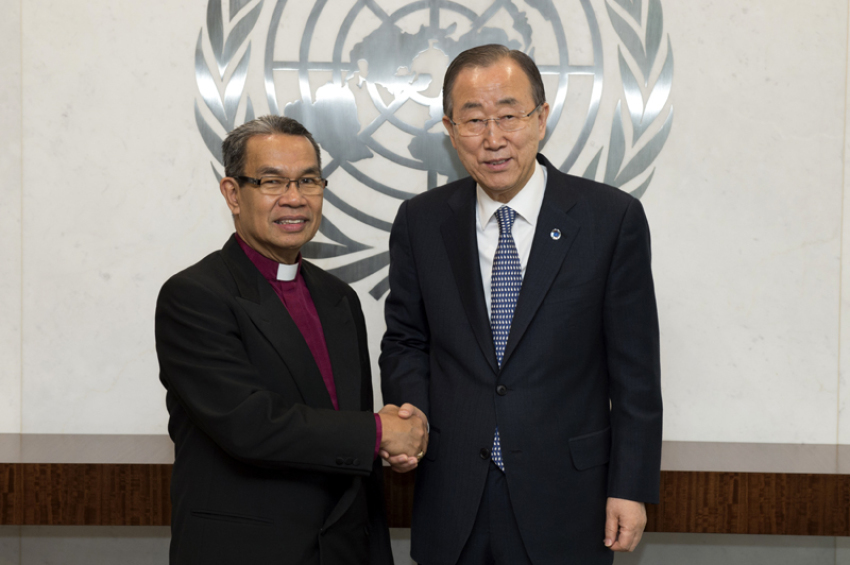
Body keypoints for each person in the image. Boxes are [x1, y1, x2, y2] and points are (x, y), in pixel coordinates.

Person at [380, 44, 662, 565]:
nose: (493, 139)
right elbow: (406, 340)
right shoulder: (421, 221)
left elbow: (636, 372)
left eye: (509, 116)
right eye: (473, 120)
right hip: (453, 489)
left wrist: (631, 485)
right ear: (449, 128)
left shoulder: (609, 218)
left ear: (541, 118)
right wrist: (410, 419)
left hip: (568, 497)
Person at [156, 115, 427, 564]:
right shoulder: (194, 296)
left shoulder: (338, 298)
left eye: (308, 181)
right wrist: (380, 432)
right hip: (244, 552)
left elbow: (347, 440)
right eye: (271, 181)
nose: (295, 199)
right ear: (232, 194)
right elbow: (251, 424)